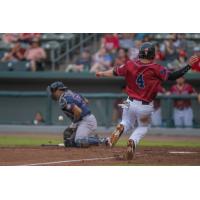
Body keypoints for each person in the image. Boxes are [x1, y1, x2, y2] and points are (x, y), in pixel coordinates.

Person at [96, 42, 198, 160]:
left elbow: (114, 71)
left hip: (129, 101)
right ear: (152, 55)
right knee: (143, 127)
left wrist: (102, 73)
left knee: (126, 122)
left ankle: (118, 131)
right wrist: (188, 66)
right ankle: (132, 141)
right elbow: (173, 76)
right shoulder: (156, 68)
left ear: (140, 54)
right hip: (145, 105)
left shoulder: (130, 64)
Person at [47, 81, 107, 147]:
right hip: (84, 119)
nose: (52, 93)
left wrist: (73, 124)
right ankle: (92, 138)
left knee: (79, 140)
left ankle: (103, 141)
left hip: (86, 121)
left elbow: (78, 111)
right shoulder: (70, 93)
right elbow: (86, 101)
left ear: (58, 90)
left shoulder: (64, 99)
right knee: (70, 142)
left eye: (53, 91)